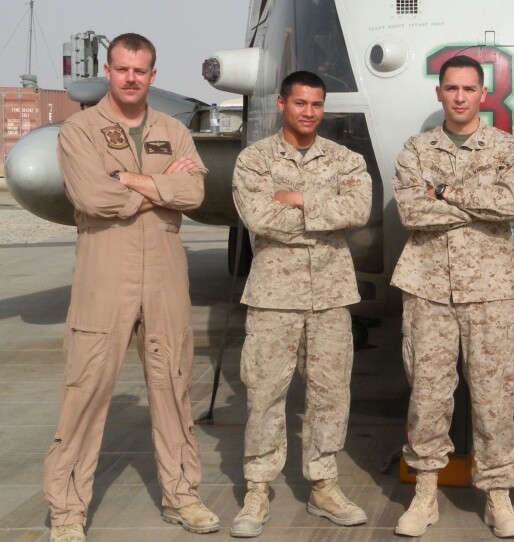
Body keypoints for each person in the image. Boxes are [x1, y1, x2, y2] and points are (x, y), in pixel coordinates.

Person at [44, 33, 218, 542]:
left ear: (153, 75)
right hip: (105, 273)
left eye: (141, 70)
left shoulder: (171, 129)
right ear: (108, 70)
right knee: (86, 388)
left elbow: (195, 191)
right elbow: (94, 196)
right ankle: (68, 511)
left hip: (164, 274)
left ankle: (182, 495)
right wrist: (161, 182)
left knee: (174, 385)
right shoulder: (79, 130)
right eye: (121, 69)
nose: (131, 78)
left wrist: (132, 178)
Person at [390, 55, 514, 538]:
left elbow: (510, 204)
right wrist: (474, 202)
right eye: (451, 88)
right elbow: (411, 211)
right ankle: (425, 493)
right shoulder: (416, 148)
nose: (460, 97)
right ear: (439, 93)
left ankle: (498, 496)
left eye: (469, 89)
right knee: (427, 395)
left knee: (494, 396)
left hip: (490, 289)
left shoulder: (507, 149)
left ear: (483, 94)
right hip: (428, 287)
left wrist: (444, 192)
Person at [230, 70, 372, 538]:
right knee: (265, 391)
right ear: (281, 104)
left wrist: (296, 200)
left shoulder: (347, 160)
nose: (308, 112)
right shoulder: (253, 161)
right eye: (300, 103)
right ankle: (257, 486)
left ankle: (324, 483)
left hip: (331, 295)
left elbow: (356, 212)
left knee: (331, 392)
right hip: (274, 296)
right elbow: (259, 216)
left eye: (316, 104)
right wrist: (321, 209)